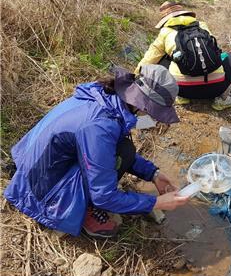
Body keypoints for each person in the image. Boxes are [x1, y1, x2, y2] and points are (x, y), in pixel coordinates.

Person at [4, 65, 191, 238]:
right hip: (39, 192)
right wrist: (156, 203)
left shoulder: (106, 97)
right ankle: (81, 211)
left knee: (123, 149)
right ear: (144, 105)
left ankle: (78, 198)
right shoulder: (100, 126)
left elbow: (106, 148)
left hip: (33, 163)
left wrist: (154, 174)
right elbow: (104, 196)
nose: (154, 117)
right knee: (124, 151)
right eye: (155, 112)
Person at [138, 1, 231, 110]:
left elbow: (148, 60)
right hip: (217, 87)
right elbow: (214, 50)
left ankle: (181, 98)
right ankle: (222, 99)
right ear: (185, 14)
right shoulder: (202, 25)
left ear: (165, 20)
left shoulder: (165, 32)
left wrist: (135, 76)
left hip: (182, 90)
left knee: (164, 58)